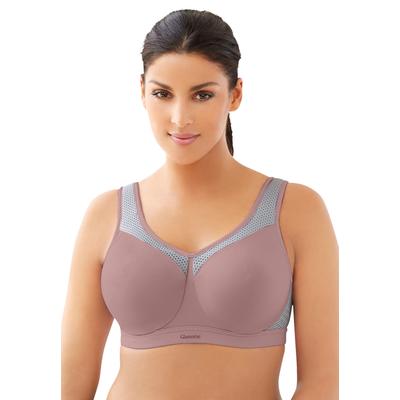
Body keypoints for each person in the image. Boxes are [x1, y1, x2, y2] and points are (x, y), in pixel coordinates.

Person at [61, 9, 339, 400]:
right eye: (162, 94)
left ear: (235, 94)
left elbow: (321, 383)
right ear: (142, 91)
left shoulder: (295, 211)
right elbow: (73, 387)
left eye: (202, 95)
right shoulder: (106, 215)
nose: (180, 118)